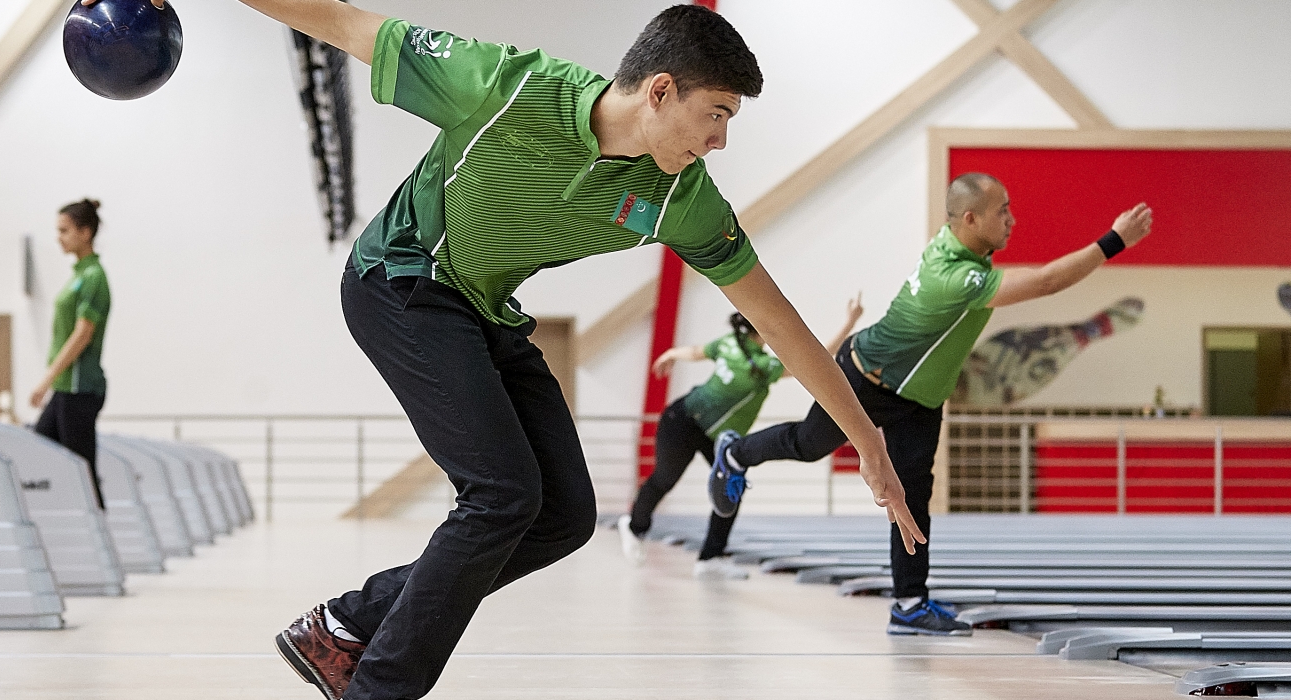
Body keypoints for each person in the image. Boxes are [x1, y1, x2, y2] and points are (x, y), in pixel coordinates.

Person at [84, 2, 923, 698]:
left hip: (484, 308)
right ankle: (376, 687)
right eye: (717, 116)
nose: (720, 141)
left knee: (561, 516)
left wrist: (867, 439)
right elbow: (335, 19)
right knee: (499, 492)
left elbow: (778, 320)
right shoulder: (501, 85)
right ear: (662, 92)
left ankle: (345, 625)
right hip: (401, 280)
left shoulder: (681, 199)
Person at [709, 173, 1153, 635]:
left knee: (914, 495)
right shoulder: (957, 277)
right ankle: (735, 453)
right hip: (867, 377)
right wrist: (1114, 239)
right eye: (1002, 211)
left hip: (920, 398)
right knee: (808, 443)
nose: (1012, 219)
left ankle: (909, 604)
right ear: (970, 218)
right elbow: (1044, 283)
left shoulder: (953, 245)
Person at [619, 296, 864, 579]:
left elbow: (697, 352)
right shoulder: (761, 368)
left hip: (712, 435)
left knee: (729, 487)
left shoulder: (731, 345)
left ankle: (710, 559)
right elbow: (816, 357)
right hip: (683, 423)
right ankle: (634, 525)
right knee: (667, 478)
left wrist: (672, 353)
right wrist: (850, 322)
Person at [30, 198, 112, 510]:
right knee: (42, 449)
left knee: (82, 469)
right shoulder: (79, 274)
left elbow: (83, 334)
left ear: (85, 232)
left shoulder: (93, 277)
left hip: (78, 386)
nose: (59, 237)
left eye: (64, 230)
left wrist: (46, 380)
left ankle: (99, 539)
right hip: (66, 388)